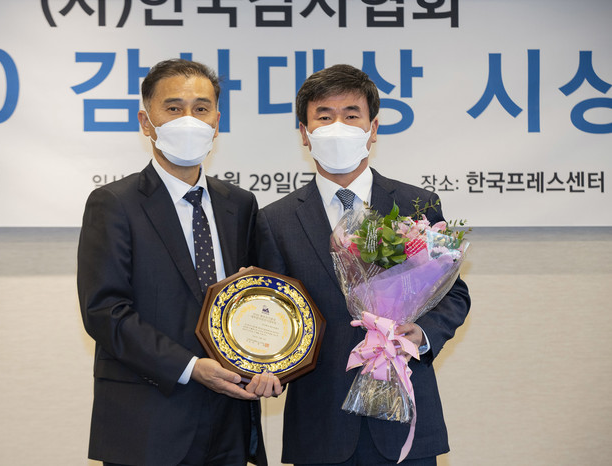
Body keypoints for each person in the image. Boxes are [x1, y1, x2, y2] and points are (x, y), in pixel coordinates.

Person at [255, 64, 471, 465]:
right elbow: (270, 309)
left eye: (351, 115)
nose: (338, 127)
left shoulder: (416, 204)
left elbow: (453, 293)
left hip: (405, 421)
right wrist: (266, 361)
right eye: (324, 117)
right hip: (321, 425)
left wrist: (421, 334)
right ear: (304, 132)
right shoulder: (274, 220)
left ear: (373, 128)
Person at [77, 58, 282, 466]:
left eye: (201, 109)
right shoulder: (113, 203)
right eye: (173, 108)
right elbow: (104, 311)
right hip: (148, 425)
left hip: (230, 423)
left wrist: (272, 362)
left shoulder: (240, 205)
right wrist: (190, 367)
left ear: (216, 122)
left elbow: (265, 298)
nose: (189, 119)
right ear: (146, 121)